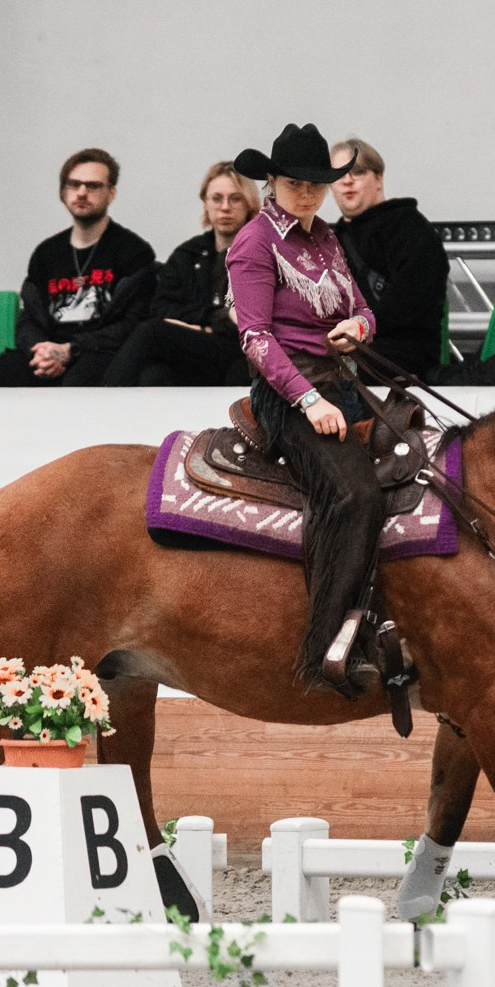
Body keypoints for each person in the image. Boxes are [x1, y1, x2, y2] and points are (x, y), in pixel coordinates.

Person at [225, 123, 380, 696]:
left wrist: (355, 327)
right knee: (354, 491)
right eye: (297, 184)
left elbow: (365, 308)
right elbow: (256, 338)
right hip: (287, 392)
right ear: (271, 181)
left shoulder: (326, 239)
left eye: (318, 184)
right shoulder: (254, 242)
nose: (309, 195)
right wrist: (308, 399)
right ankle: (327, 649)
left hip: (343, 381)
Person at [0, 148, 156, 387]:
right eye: (74, 184)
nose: (82, 192)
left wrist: (71, 349)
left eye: (93, 186)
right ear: (63, 192)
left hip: (100, 353)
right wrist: (41, 352)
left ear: (111, 193)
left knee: (75, 389)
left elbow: (133, 324)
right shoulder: (46, 253)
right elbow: (29, 319)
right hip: (47, 352)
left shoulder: (133, 251)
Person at [102, 162, 258, 386]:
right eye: (217, 198)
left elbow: (252, 318)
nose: (225, 207)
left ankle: (104, 401)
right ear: (205, 202)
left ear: (249, 204)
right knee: (154, 377)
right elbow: (161, 307)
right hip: (197, 348)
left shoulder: (259, 251)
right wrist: (216, 317)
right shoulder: (189, 253)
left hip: (239, 351)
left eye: (235, 198)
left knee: (151, 333)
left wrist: (206, 325)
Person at [329, 137, 450, 378]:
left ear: (379, 178)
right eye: (338, 174)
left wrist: (360, 327)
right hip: (347, 346)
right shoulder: (330, 238)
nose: (347, 180)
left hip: (402, 352)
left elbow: (412, 303)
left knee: (331, 371)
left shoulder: (411, 228)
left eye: (358, 171)